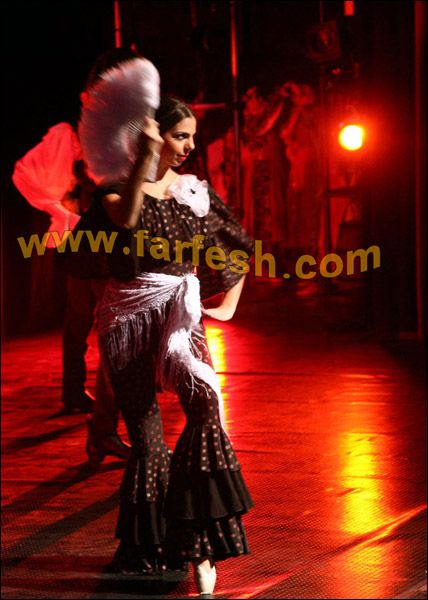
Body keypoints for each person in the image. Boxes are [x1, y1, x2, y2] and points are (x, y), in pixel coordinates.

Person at [80, 61, 254, 595]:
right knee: (148, 440)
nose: (189, 147)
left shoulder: (193, 191)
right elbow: (128, 219)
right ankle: (152, 548)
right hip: (129, 319)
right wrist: (143, 160)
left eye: (191, 137)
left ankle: (200, 545)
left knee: (206, 407)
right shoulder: (114, 187)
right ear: (153, 135)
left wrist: (227, 305)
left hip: (182, 312)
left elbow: (236, 245)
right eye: (181, 136)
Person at [12, 110, 130, 464]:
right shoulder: (77, 155)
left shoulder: (98, 155)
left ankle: (81, 394)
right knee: (89, 323)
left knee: (90, 322)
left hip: (94, 249)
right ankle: (78, 394)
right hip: (86, 250)